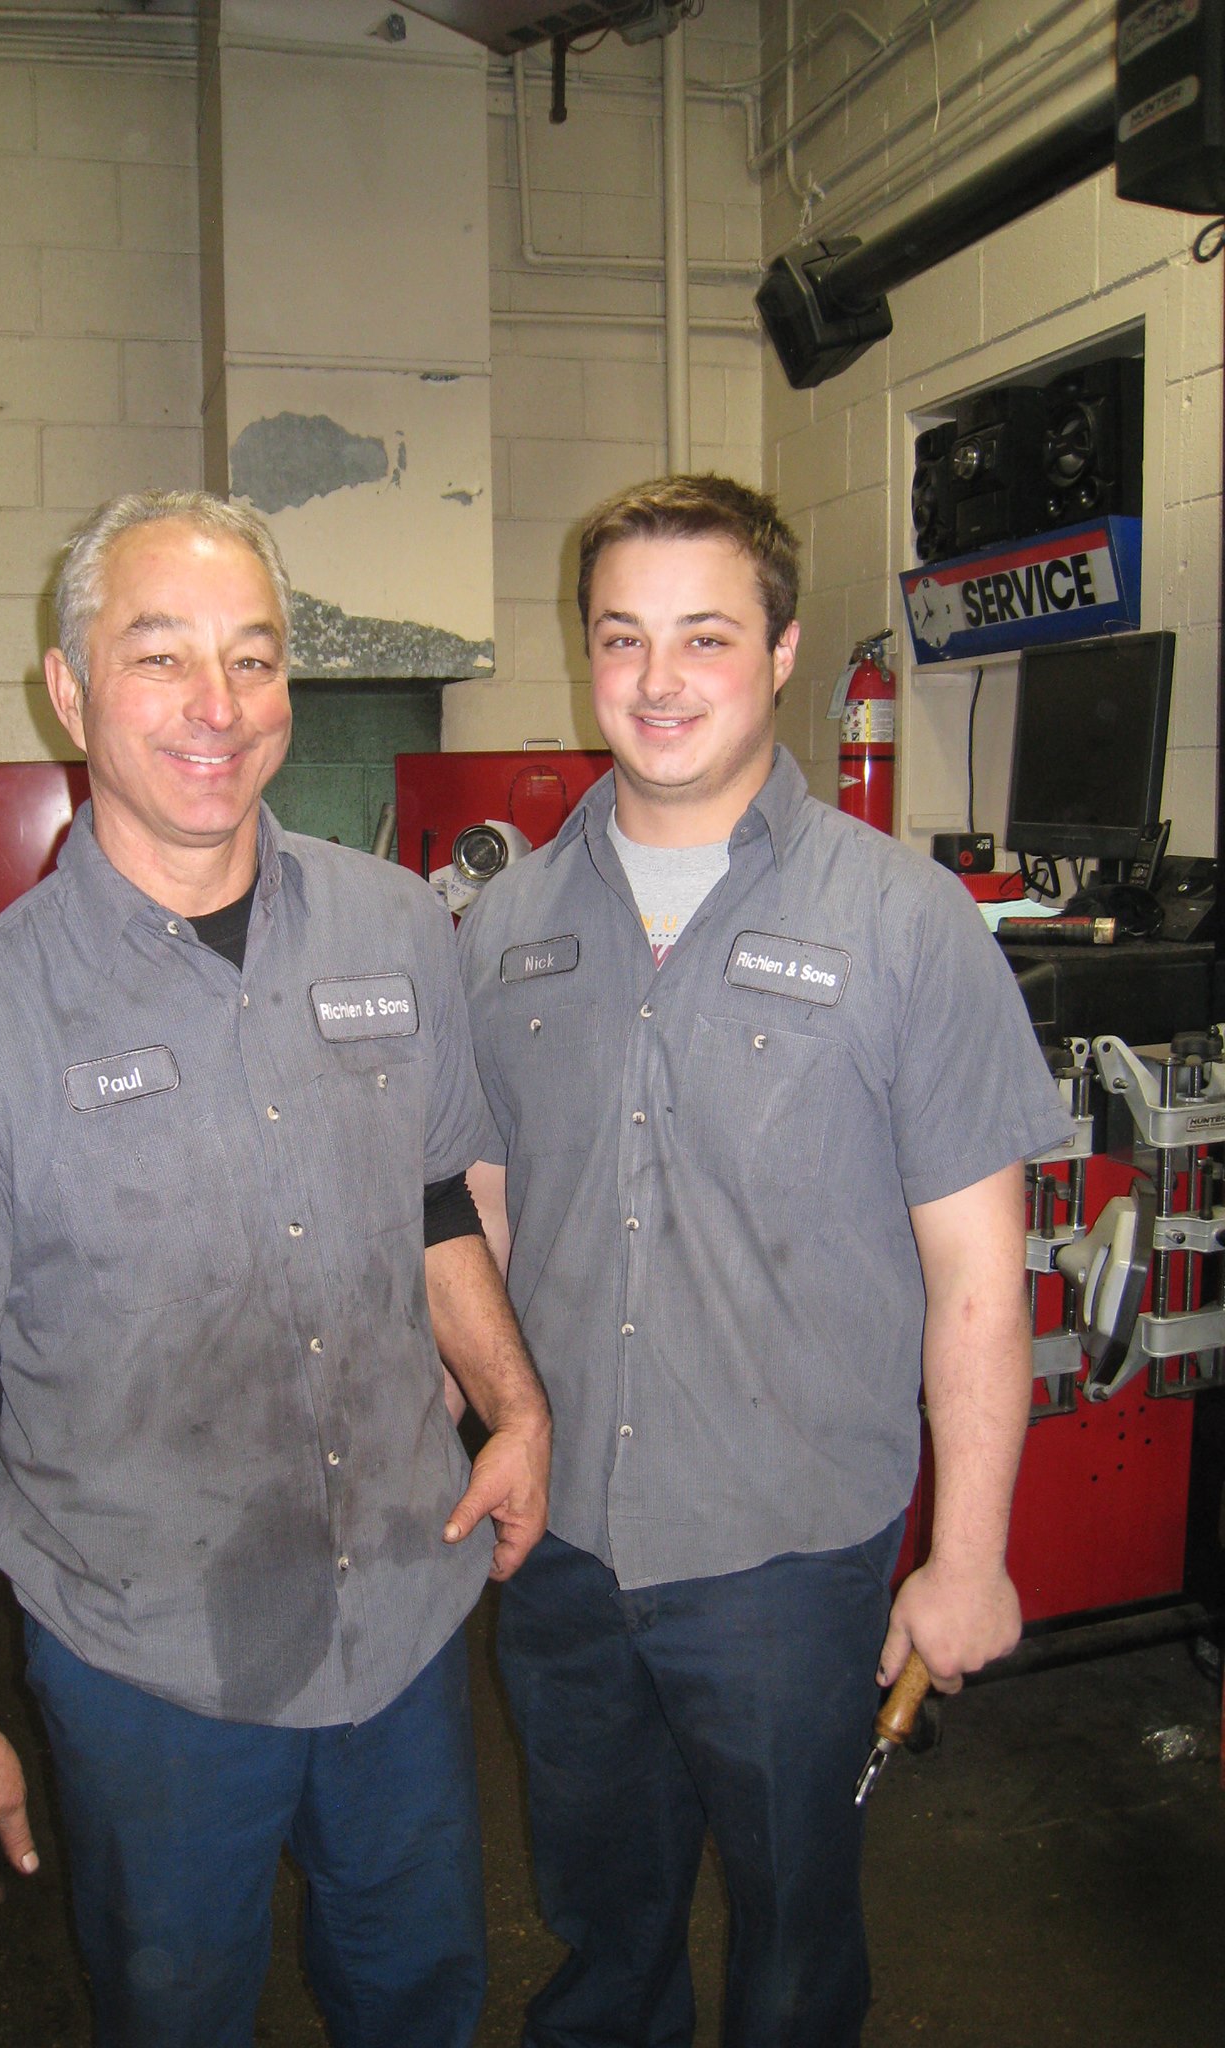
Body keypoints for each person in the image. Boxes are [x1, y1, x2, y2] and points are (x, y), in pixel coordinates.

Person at [0, 488, 551, 2048]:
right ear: (69, 689)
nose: (217, 705)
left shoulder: (395, 930)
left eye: (254, 658)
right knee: (177, 2012)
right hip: (149, 1666)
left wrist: (515, 1404)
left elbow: (430, 1201)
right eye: (161, 657)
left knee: (420, 1994)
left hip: (402, 1615)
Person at [456, 473, 1069, 2048]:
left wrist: (968, 1555)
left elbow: (979, 1284)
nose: (659, 680)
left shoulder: (908, 923)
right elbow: (489, 1216)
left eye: (706, 636)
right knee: (601, 1927)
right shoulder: (505, 925)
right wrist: (473, 1433)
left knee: (793, 1943)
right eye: (623, 637)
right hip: (565, 1550)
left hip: (789, 1564)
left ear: (783, 652)